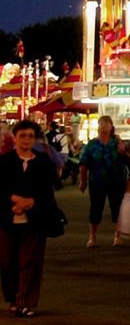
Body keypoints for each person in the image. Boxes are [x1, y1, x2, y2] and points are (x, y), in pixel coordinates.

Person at [0, 120, 61, 318]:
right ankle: (12, 297)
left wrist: (30, 202)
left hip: (35, 220)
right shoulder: (5, 161)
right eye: (22, 135)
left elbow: (49, 190)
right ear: (14, 137)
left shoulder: (43, 161)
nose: (26, 139)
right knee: (7, 261)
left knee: (30, 261)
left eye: (30, 136)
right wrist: (14, 200)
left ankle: (25, 302)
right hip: (7, 219)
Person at [78, 115, 128, 248]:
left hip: (117, 180)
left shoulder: (117, 143)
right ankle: (92, 236)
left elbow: (128, 160)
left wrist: (123, 151)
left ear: (111, 127)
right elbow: (83, 163)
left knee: (117, 208)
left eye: (107, 125)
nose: (104, 127)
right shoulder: (92, 144)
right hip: (97, 180)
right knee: (95, 208)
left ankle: (118, 236)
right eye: (101, 125)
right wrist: (83, 181)